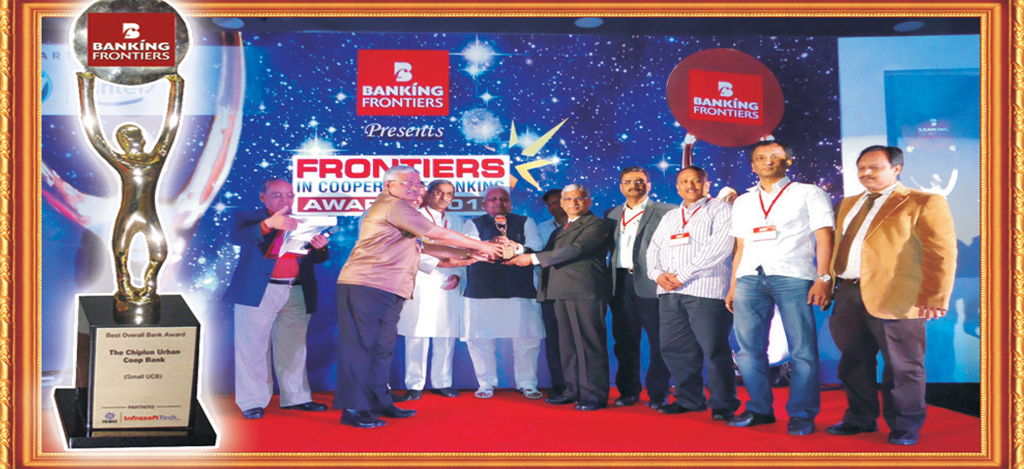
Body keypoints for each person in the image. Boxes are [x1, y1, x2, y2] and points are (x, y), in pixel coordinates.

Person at [334, 166, 502, 428]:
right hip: (366, 284)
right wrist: (482, 245)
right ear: (388, 185)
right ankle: (354, 408)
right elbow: (435, 233)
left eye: (418, 183)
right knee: (360, 348)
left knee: (381, 348)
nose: (414, 188)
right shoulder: (393, 205)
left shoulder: (403, 210)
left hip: (390, 288)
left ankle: (378, 401)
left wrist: (470, 255)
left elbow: (424, 246)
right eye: (407, 183)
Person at [825, 146, 957, 446]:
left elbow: (941, 252)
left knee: (903, 367)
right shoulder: (848, 203)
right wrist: (827, 283)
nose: (866, 173)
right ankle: (859, 418)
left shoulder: (923, 201)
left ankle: (904, 425)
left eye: (874, 167)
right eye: (861, 168)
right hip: (847, 293)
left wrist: (935, 295)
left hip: (898, 296)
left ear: (896, 168)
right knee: (853, 362)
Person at [725, 141, 834, 436]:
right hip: (749, 278)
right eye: (761, 157)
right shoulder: (744, 201)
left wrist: (824, 277)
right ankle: (759, 409)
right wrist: (733, 285)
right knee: (748, 351)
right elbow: (740, 246)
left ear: (788, 161)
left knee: (802, 350)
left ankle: (801, 413)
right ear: (753, 165)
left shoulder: (808, 192)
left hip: (793, 276)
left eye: (775, 156)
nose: (768, 161)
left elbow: (824, 237)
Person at [222, 178, 330, 420]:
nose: (285, 199)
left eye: (289, 194)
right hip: (258, 291)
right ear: (263, 197)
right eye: (277, 195)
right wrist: (269, 224)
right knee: (252, 348)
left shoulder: (302, 221)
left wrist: (321, 247)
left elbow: (317, 258)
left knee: (294, 348)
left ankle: (296, 398)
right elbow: (238, 238)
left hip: (297, 290)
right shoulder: (248, 217)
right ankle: (252, 401)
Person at [508, 184, 614, 411]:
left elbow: (575, 250)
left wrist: (531, 259)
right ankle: (572, 390)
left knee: (588, 345)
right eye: (568, 199)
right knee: (567, 346)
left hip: (584, 292)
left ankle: (594, 395)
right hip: (559, 292)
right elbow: (544, 254)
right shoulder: (561, 229)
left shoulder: (597, 224)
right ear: (562, 203)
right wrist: (518, 250)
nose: (573, 203)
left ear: (589, 201)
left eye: (579, 198)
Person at [646, 166, 740, 419]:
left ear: (707, 185)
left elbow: (719, 247)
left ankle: (723, 404)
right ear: (677, 187)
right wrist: (657, 275)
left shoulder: (721, 210)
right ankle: (689, 399)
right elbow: (653, 249)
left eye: (696, 180)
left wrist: (682, 276)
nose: (690, 185)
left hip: (706, 290)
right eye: (684, 181)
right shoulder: (670, 216)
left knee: (714, 349)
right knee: (675, 348)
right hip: (669, 292)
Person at [461, 187, 545, 400]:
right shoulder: (473, 223)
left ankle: (527, 384)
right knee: (479, 340)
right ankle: (485, 383)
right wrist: (490, 245)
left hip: (520, 288)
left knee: (527, 339)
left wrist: (516, 247)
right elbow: (468, 246)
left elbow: (536, 246)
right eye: (493, 199)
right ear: (484, 204)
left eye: (504, 199)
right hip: (482, 289)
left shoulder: (525, 222)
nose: (498, 202)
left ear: (511, 203)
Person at [393, 180, 473, 402]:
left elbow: (468, 251)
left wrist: (459, 274)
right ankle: (414, 384)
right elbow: (407, 250)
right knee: (417, 334)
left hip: (449, 282)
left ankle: (442, 382)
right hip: (420, 280)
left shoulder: (459, 221)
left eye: (449, 194)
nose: (444, 197)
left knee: (445, 334)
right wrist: (437, 263)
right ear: (429, 194)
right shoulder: (413, 218)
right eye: (439, 192)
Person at [604, 166, 673, 409]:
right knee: (624, 341)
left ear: (649, 185)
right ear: (621, 186)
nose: (634, 185)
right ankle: (628, 391)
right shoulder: (612, 214)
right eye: (628, 181)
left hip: (653, 282)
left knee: (659, 342)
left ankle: (658, 393)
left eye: (640, 181)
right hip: (620, 283)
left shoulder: (666, 211)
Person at [536, 188, 567, 397]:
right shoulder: (541, 228)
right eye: (549, 204)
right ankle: (559, 384)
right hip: (549, 290)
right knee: (553, 339)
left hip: (576, 290)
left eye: (557, 201)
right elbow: (536, 255)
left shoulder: (586, 226)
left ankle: (579, 384)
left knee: (576, 340)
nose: (554, 207)